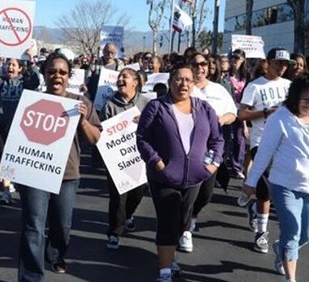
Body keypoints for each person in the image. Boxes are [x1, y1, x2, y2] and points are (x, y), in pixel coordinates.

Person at [242, 72, 309, 282]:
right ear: (294, 97)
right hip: (285, 185)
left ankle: (281, 248)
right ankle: (290, 277)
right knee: (292, 231)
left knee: (307, 234)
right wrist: (250, 182)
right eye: (305, 99)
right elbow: (264, 152)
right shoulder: (281, 118)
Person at [17, 52, 101, 281]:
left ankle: (55, 254)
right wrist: (11, 171)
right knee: (33, 225)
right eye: (52, 71)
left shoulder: (81, 103)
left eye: (62, 72)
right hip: (35, 173)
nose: (57, 76)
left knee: (62, 226)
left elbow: (95, 139)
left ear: (69, 76)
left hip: (68, 175)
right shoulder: (32, 101)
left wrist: (82, 120)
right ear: (45, 74)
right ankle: (31, 275)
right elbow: (17, 140)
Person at [136, 63, 224, 281]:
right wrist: (157, 163)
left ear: (193, 84)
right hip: (163, 178)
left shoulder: (204, 109)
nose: (183, 84)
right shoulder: (156, 107)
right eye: (178, 79)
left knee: (182, 221)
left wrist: (214, 164)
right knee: (167, 220)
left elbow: (217, 139)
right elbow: (142, 138)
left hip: (195, 178)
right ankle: (164, 272)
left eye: (188, 80)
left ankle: (171, 257)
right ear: (170, 82)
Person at [238, 47, 292, 254]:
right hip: (261, 140)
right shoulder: (255, 86)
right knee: (265, 187)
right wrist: (265, 112)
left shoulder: (291, 86)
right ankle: (261, 232)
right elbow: (241, 114)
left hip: (286, 143)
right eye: (278, 63)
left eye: (286, 64)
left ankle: (254, 209)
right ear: (268, 63)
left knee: (278, 187)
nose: (282, 67)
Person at [180, 53, 236, 253]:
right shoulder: (184, 88)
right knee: (189, 189)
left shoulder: (218, 90)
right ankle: (185, 230)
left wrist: (220, 120)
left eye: (204, 64)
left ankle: (191, 217)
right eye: (195, 64)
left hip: (212, 147)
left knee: (205, 193)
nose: (200, 67)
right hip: (187, 147)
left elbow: (233, 113)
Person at [100, 68, 150, 250]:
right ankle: (114, 232)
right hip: (117, 159)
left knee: (137, 193)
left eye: (125, 76)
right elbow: (103, 133)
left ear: (135, 82)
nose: (120, 79)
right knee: (117, 197)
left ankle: (128, 215)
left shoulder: (146, 103)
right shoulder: (109, 106)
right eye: (119, 76)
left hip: (140, 158)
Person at [0, 52, 40, 205]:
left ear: (20, 69)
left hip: (19, 127)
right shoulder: (2, 82)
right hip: (2, 124)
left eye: (13, 64)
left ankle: (21, 186)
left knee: (18, 158)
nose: (10, 66)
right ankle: (6, 191)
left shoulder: (24, 82)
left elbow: (36, 81)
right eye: (8, 64)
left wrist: (31, 61)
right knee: (5, 159)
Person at [227, 49, 250, 179]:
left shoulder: (246, 77)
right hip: (229, 108)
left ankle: (237, 166)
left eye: (237, 58)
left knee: (239, 138)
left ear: (243, 60)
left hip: (241, 109)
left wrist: (246, 122)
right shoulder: (226, 76)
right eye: (233, 57)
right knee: (226, 137)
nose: (234, 61)